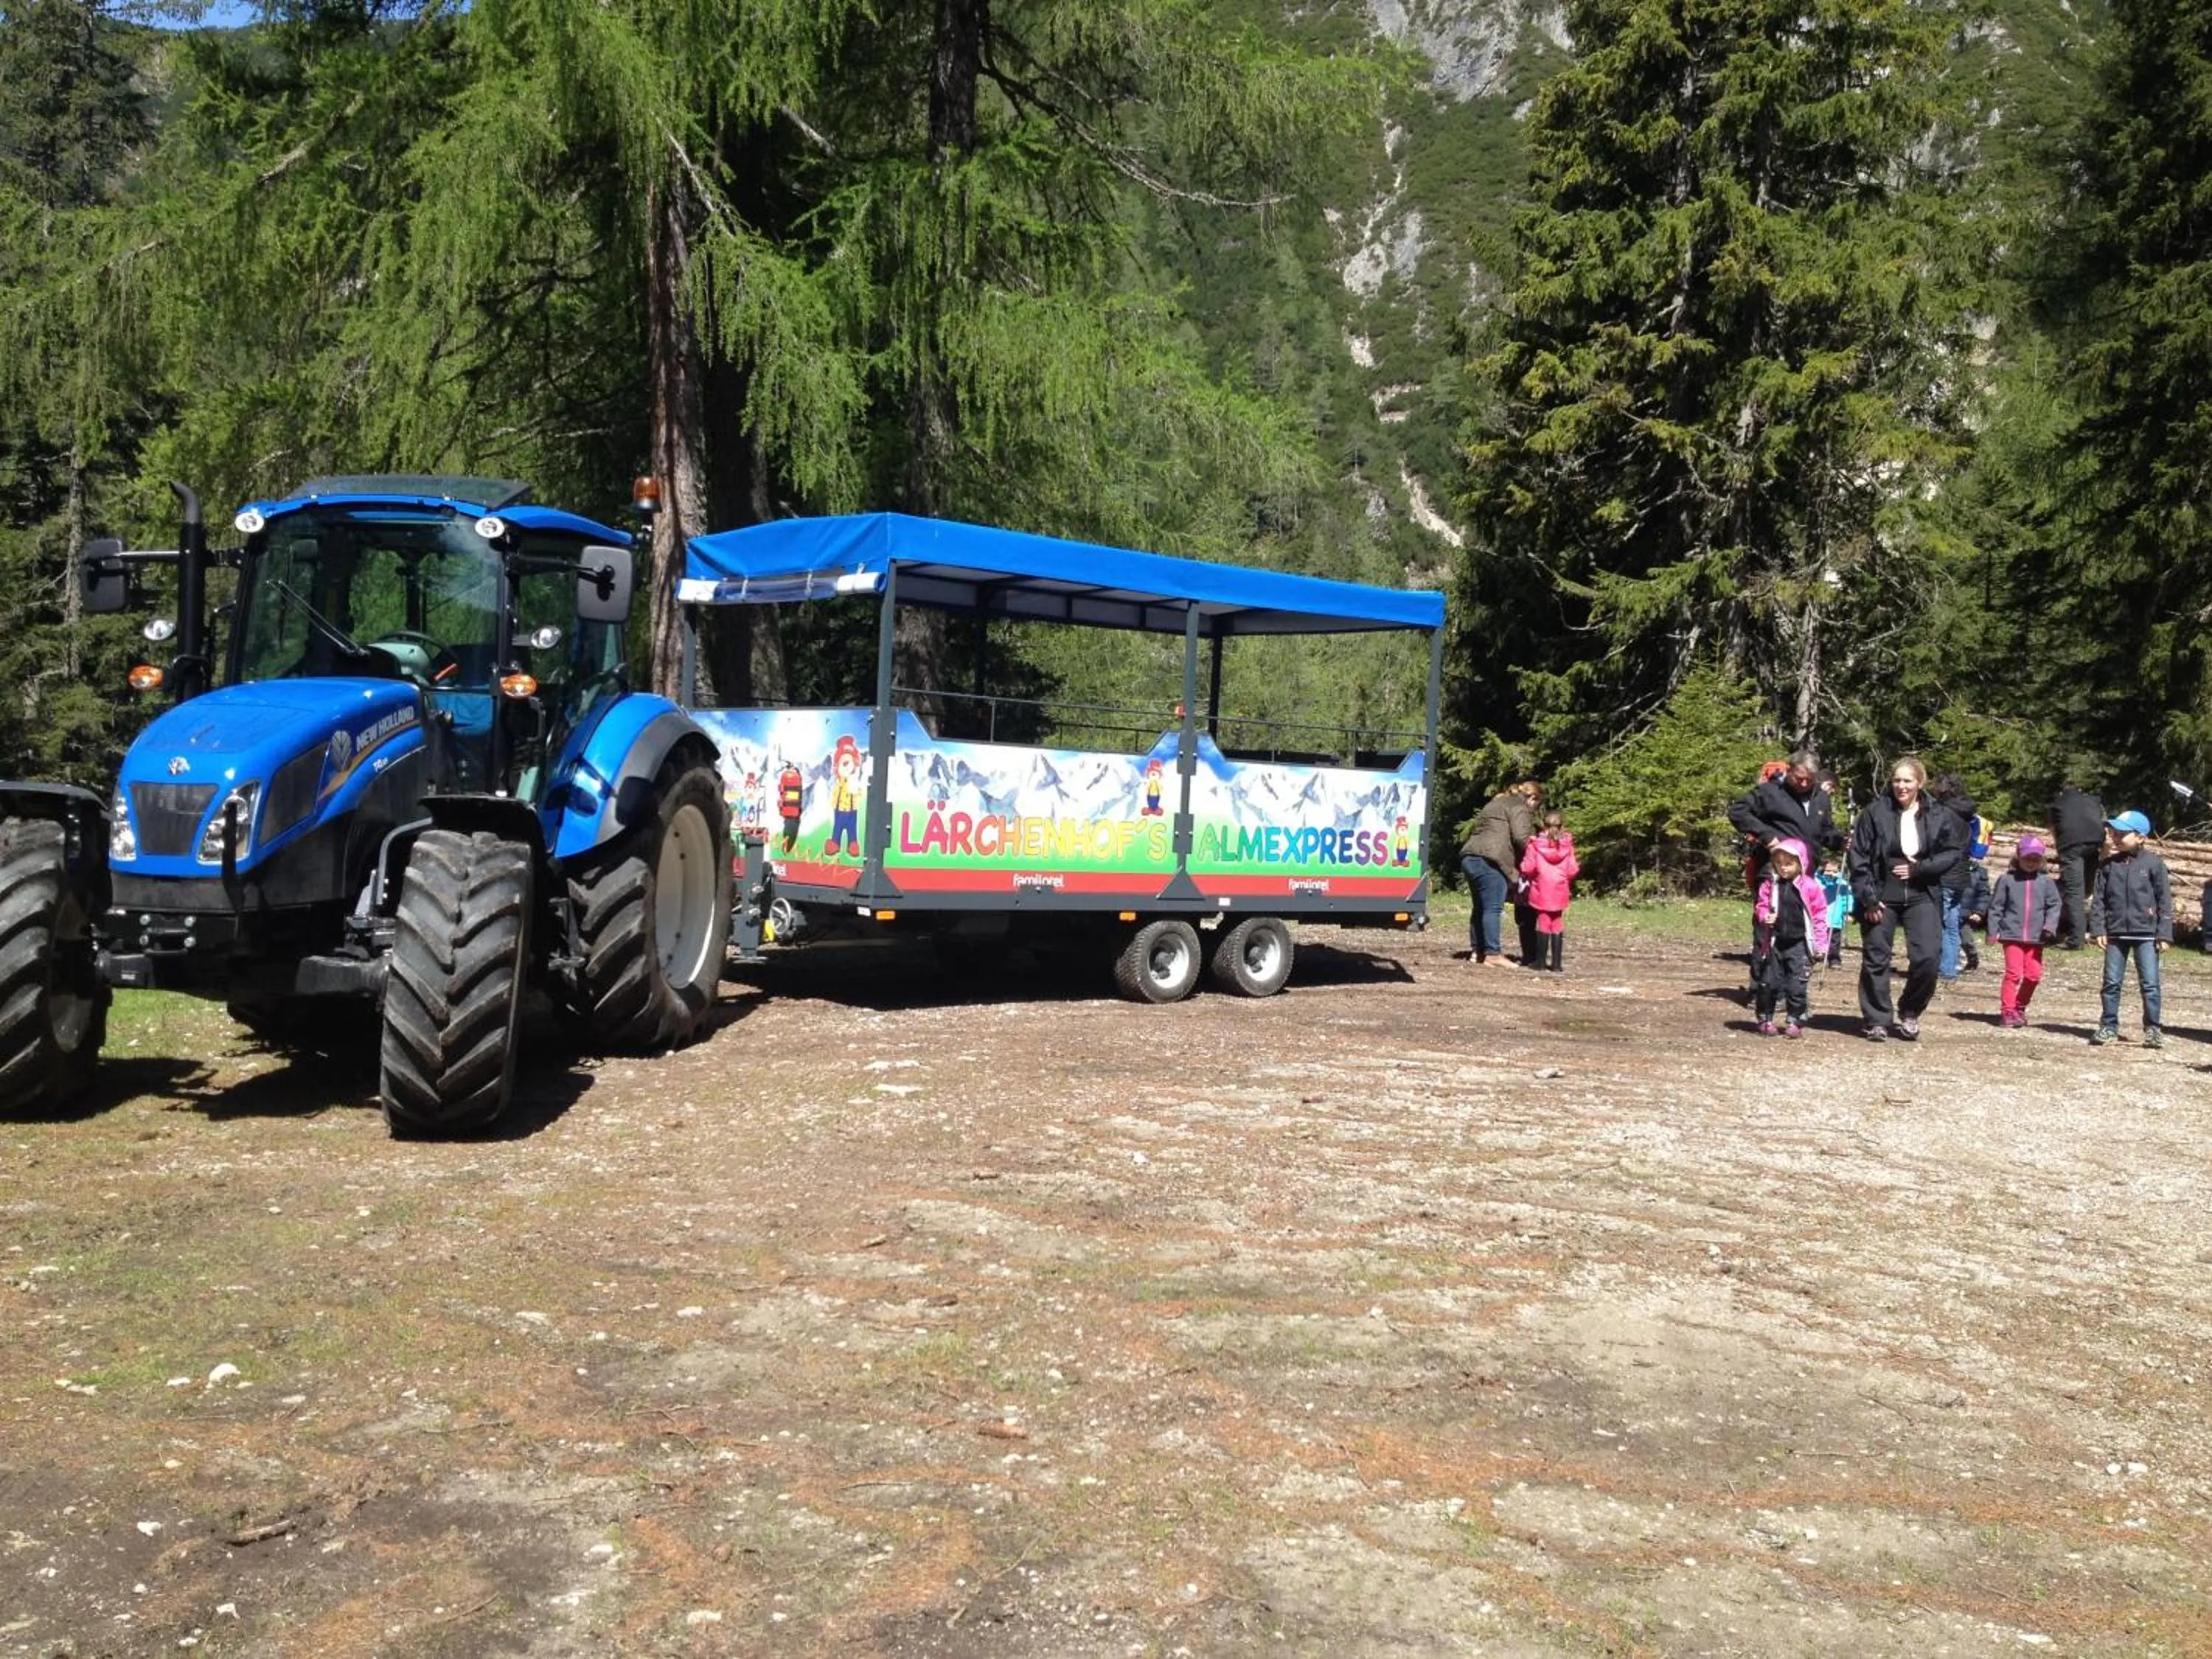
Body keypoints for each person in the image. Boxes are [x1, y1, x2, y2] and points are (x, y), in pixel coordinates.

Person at [1847, 754, 1963, 1040]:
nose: (1901, 786)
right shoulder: (1875, 812)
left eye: (1908, 781)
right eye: (1897, 780)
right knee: (1876, 957)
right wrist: (1868, 898)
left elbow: (1952, 852)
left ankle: (1910, 1012)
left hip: (1922, 892)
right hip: (1882, 893)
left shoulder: (1937, 814)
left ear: (1920, 783)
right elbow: (1859, 857)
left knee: (1928, 958)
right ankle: (1877, 1020)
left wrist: (1921, 868)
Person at [1728, 751, 1845, 989]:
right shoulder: (1770, 792)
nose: (1803, 784)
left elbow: (1825, 832)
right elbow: (1738, 812)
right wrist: (1766, 836)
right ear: (1789, 770)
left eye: (1809, 780)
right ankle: (1762, 988)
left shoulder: (1821, 798)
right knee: (1769, 926)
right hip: (1774, 871)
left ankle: (1790, 990)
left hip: (1805, 877)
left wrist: (1840, 841)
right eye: (1799, 778)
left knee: (1797, 930)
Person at [2089, 810, 2173, 1047]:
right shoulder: (2108, 866)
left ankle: (2153, 1029)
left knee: (2150, 984)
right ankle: (2108, 1026)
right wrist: (2098, 929)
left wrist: (2164, 933)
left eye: (2122, 834)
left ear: (2140, 837)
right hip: (2115, 934)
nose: (2115, 837)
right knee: (2111, 983)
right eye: (2114, 833)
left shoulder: (2154, 865)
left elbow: (2164, 901)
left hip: (2147, 935)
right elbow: (2099, 900)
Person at [1752, 838, 1830, 1037]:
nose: (1783, 868)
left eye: (1789, 864)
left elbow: (1820, 916)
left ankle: (1795, 1020)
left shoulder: (1811, 887)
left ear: (1801, 863)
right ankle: (1765, 1019)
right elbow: (1761, 906)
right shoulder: (1770, 885)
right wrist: (1765, 916)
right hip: (1775, 942)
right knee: (1769, 983)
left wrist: (1821, 945)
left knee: (1797, 985)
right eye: (1779, 863)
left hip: (1800, 944)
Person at [1459, 781, 1540, 966]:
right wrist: (1539, 854)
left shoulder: (1495, 803)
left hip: (1470, 856)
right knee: (1493, 908)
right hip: (1492, 860)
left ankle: (1478, 951)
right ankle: (1493, 954)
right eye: (1537, 805)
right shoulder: (1520, 807)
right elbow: (1522, 838)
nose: (1535, 810)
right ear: (1533, 798)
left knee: (1480, 907)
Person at [1987, 834, 2062, 1030]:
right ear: (2018, 857)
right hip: (2012, 935)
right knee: (2013, 974)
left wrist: (2049, 927)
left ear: (2042, 860)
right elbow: (1996, 907)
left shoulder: (2046, 882)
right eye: (2027, 858)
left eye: (2036, 859)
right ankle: (2007, 1012)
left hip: (2036, 938)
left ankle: (2019, 1007)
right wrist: (1993, 931)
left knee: (2033, 975)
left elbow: (2054, 906)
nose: (2031, 862)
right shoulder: (2007, 880)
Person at [1930, 774, 1984, 983]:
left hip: (1944, 871)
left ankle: (1943, 968)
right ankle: (1949, 968)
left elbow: (1936, 841)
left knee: (1941, 923)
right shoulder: (1967, 814)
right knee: (1952, 924)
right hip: (1962, 873)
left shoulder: (1942, 812)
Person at [1518, 810, 1579, 973]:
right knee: (1557, 921)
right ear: (1562, 826)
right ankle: (1557, 963)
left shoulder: (1535, 845)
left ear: (1543, 826)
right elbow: (1573, 869)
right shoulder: (1567, 845)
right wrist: (1563, 877)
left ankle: (1540, 962)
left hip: (1542, 888)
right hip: (1560, 888)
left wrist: (1530, 873)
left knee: (1544, 920)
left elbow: (1528, 867)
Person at [2050, 781, 2107, 948]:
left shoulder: (2057, 803)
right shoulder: (2093, 801)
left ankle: (2076, 939)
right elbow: (2104, 823)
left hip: (2071, 846)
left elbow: (2054, 829)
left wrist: (2060, 847)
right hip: (2095, 844)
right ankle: (2088, 929)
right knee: (2087, 889)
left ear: (2062, 792)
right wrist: (2105, 849)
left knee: (2074, 892)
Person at [1818, 854, 1853, 967]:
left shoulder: (1842, 884)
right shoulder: (1817, 882)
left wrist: (1848, 912)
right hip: (1820, 917)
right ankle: (1819, 954)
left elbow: (1847, 899)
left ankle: (1834, 959)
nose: (1831, 874)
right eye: (1828, 871)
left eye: (1835, 871)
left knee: (1834, 941)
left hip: (1836, 918)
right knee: (1819, 937)